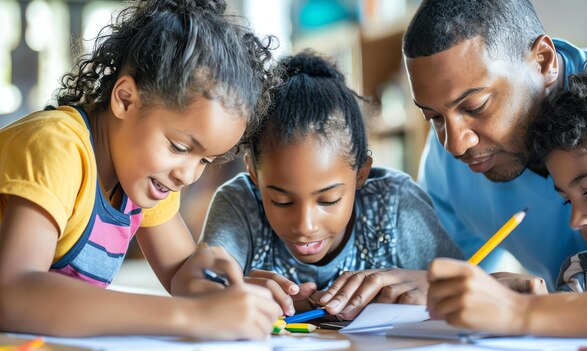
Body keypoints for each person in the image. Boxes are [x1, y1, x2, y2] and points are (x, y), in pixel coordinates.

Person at [0, 0, 282, 339]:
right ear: (125, 100)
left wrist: (227, 291)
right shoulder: (58, 147)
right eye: (179, 147)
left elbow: (181, 273)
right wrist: (191, 315)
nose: (188, 175)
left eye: (204, 160)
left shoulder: (143, 173)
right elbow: (12, 294)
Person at [201, 51, 463, 320]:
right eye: (282, 201)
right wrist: (222, 293)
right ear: (253, 173)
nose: (305, 226)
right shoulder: (239, 205)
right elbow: (200, 288)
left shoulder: (395, 206)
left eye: (328, 200)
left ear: (361, 174)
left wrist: (431, 287)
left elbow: (466, 293)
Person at [402, 0, 587, 287]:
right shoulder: (446, 163)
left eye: (475, 106)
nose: (456, 146)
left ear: (543, 61)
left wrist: (531, 313)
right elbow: (434, 281)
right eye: (433, 116)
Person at [427, 43, 587, 338]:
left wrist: (518, 310)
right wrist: (518, 300)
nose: (575, 221)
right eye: (565, 201)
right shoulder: (584, 272)